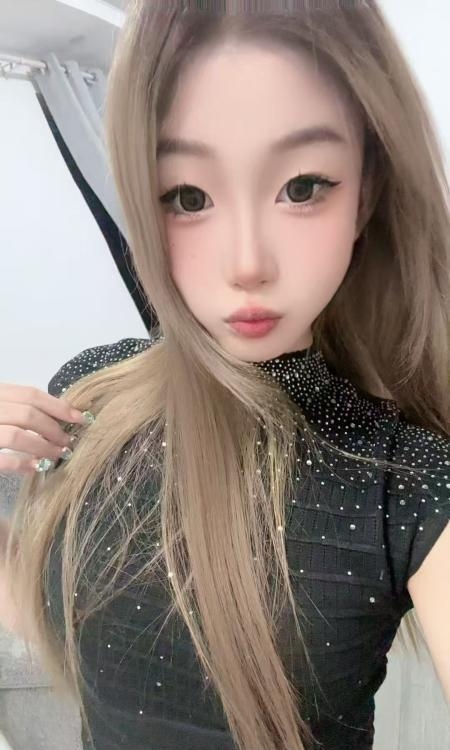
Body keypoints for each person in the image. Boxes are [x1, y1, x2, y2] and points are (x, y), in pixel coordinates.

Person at [0, 1, 449, 749]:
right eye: (188, 197)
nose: (247, 264)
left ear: (366, 193)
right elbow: (46, 612)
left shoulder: (404, 482)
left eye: (303, 187)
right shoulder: (89, 393)